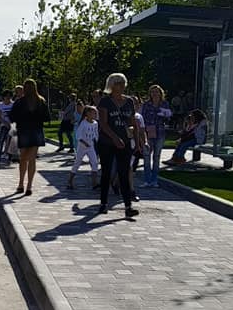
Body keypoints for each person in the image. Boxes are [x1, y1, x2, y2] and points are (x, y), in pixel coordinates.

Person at [97, 73, 140, 217]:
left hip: (125, 142)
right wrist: (115, 138)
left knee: (124, 173)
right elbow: (103, 123)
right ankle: (103, 203)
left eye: (123, 83)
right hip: (107, 142)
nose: (122, 86)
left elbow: (133, 122)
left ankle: (128, 206)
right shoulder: (105, 102)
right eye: (118, 83)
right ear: (112, 85)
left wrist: (137, 140)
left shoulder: (129, 102)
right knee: (107, 172)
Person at [11, 79, 49, 196]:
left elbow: (12, 116)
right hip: (36, 131)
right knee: (32, 159)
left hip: (24, 131)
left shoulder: (20, 102)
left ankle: (21, 184)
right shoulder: (41, 101)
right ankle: (29, 186)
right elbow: (47, 117)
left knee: (23, 159)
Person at [140, 85, 172, 187]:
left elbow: (169, 118)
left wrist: (165, 115)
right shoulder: (146, 105)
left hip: (160, 132)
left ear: (160, 93)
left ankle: (154, 180)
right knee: (146, 156)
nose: (155, 94)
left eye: (157, 92)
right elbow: (142, 118)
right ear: (150, 93)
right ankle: (147, 180)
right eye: (152, 92)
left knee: (157, 157)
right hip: (149, 132)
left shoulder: (164, 104)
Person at [68, 106, 99, 190]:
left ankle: (94, 183)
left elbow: (96, 135)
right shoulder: (83, 123)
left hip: (91, 146)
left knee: (95, 163)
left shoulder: (95, 123)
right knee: (77, 163)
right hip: (82, 146)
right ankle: (70, 181)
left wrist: (98, 142)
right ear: (88, 114)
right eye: (94, 113)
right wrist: (84, 143)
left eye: (96, 113)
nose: (95, 115)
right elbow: (78, 136)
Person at [0, 90, 15, 166]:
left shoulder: (13, 104)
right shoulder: (0, 105)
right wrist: (5, 123)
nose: (8, 98)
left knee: (11, 143)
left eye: (9, 96)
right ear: (3, 97)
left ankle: (9, 159)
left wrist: (11, 124)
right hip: (3, 126)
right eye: (6, 96)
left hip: (12, 126)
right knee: (0, 143)